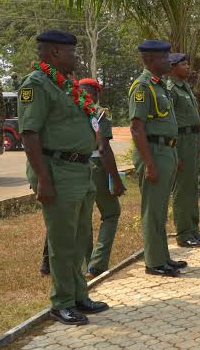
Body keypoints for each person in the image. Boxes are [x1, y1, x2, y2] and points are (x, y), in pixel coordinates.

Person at [20, 29, 109, 325]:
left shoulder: (67, 85)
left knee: (81, 237)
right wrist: (44, 180)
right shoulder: (36, 84)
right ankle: (61, 302)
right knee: (61, 241)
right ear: (55, 52)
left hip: (80, 170)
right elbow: (30, 135)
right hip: (57, 171)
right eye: (72, 52)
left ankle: (78, 296)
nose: (76, 57)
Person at [128, 39, 187, 277]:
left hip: (166, 151)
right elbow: (136, 128)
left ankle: (163, 257)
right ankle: (153, 262)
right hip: (153, 152)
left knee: (161, 208)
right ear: (150, 60)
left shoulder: (159, 86)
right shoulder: (142, 87)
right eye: (164, 57)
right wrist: (150, 163)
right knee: (153, 210)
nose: (168, 61)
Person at [80, 78, 126, 280]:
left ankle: (86, 264)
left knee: (84, 216)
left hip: (76, 166)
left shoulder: (72, 110)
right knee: (111, 212)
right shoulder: (99, 113)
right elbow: (103, 148)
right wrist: (115, 178)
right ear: (97, 93)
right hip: (96, 166)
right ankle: (96, 265)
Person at [167, 53, 200, 247]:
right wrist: (174, 150)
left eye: (187, 64)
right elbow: (169, 122)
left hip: (193, 141)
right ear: (173, 67)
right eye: (183, 64)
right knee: (182, 189)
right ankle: (183, 234)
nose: (187, 67)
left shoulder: (185, 88)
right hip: (181, 141)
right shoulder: (171, 90)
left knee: (191, 188)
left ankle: (194, 230)